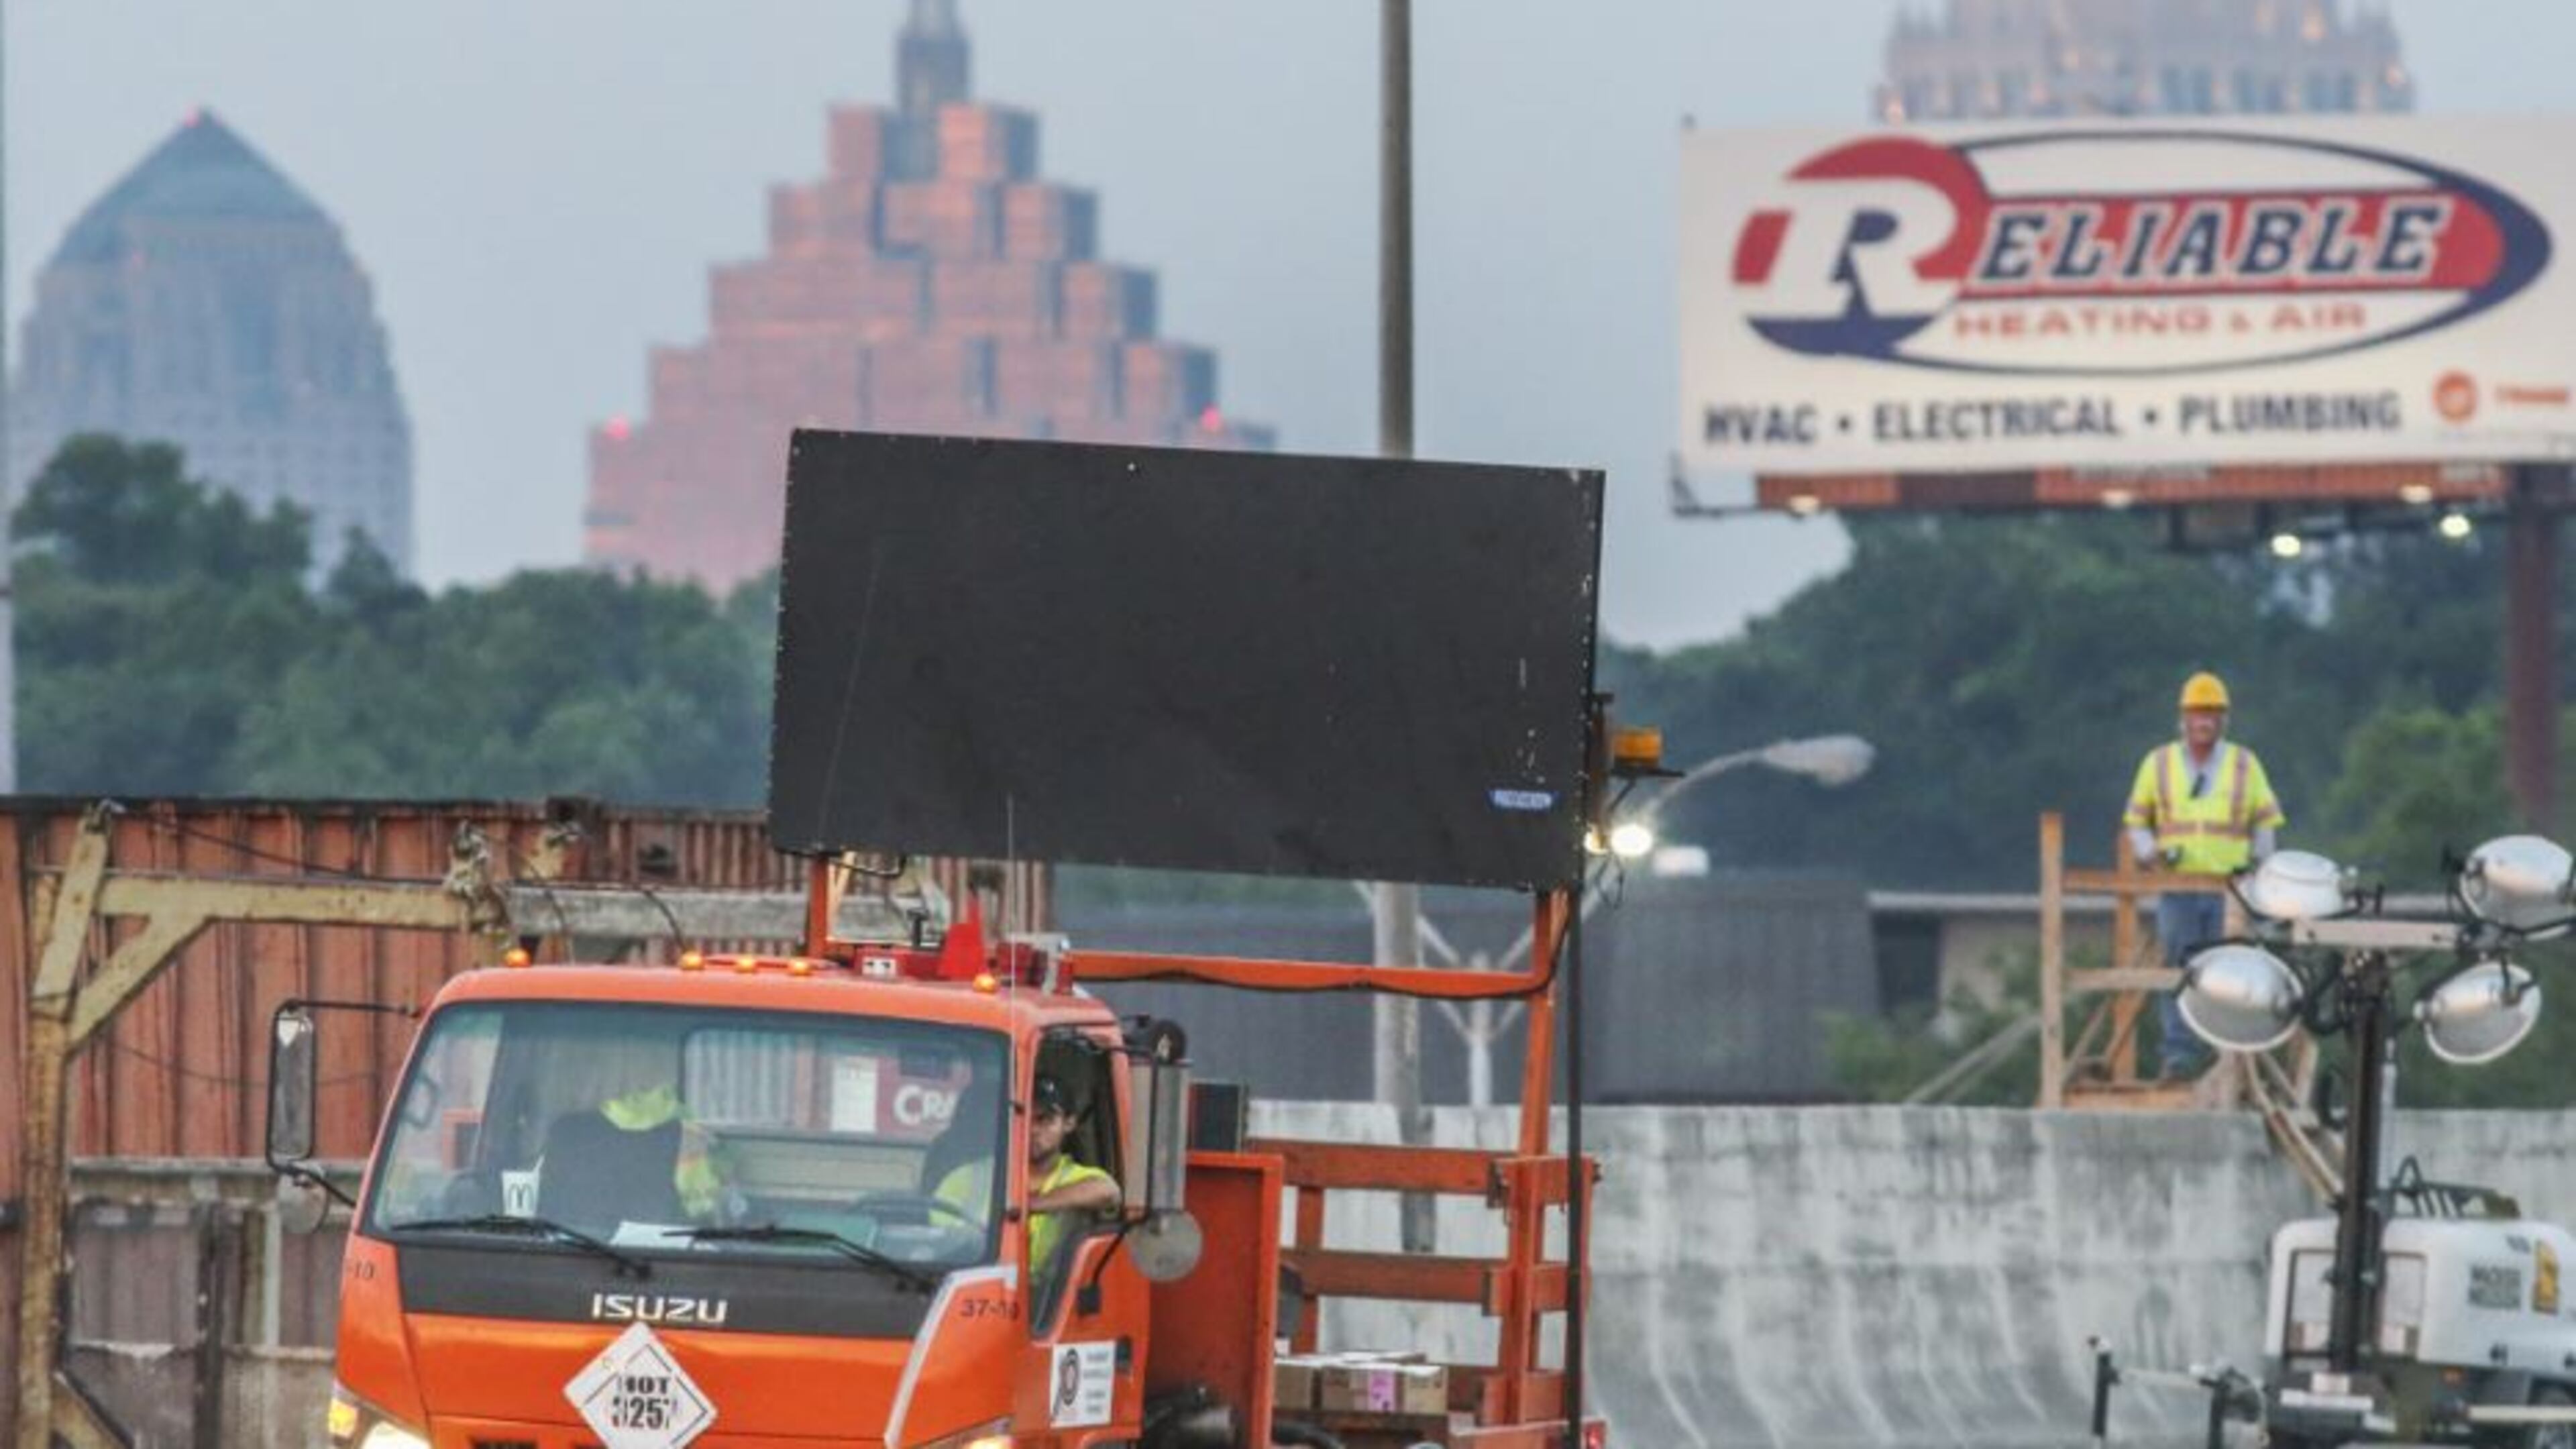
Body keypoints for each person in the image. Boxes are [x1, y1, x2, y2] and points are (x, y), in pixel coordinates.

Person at [2123, 671, 2287, 1078]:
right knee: (2179, 966)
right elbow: (2136, 819)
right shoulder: (2158, 764)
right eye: (2198, 714)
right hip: (2178, 886)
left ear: (2223, 720)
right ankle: (2179, 1054)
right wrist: (2149, 853)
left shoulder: (2244, 765)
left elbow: (2265, 822)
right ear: (2184, 718)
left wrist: (2260, 867)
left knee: (2228, 970)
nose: (2204, 722)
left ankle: (2225, 1056)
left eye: (2212, 714)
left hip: (2229, 890)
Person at [936, 1073, 1120, 1276]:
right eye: (1024, 1118)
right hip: (980, 1292)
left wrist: (1031, 1205)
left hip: (1047, 1299)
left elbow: (1109, 1191)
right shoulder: (968, 1177)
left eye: (1045, 1119)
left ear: (1069, 1123)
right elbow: (940, 1243)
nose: (1032, 1130)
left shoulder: (1076, 1178)